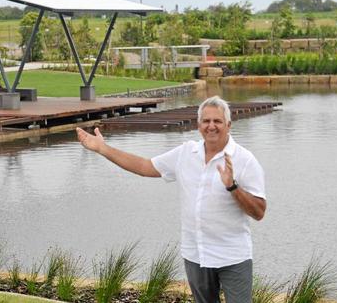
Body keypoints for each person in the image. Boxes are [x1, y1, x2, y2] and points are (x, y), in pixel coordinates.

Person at [75, 95, 266, 303]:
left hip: (233, 258)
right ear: (198, 125)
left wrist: (232, 186)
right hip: (196, 256)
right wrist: (103, 149)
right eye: (206, 121)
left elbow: (259, 212)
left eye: (218, 121)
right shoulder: (186, 153)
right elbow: (144, 167)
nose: (212, 126)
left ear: (228, 125)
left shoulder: (245, 160)